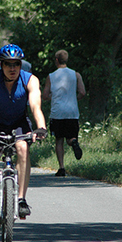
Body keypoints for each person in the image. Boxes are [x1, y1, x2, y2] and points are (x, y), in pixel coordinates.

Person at [0, 44, 47, 231]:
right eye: (8, 64)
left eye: (16, 64)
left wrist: (41, 127)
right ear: (1, 65)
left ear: (21, 65)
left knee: (22, 148)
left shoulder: (30, 80)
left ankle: (21, 199)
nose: (12, 69)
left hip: (18, 123)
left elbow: (36, 106)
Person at [42, 49, 86, 177]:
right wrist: (74, 98)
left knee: (59, 139)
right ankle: (73, 142)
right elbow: (82, 92)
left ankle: (61, 168)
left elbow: (45, 95)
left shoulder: (51, 76)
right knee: (70, 137)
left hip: (58, 113)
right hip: (72, 112)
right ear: (66, 60)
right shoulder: (76, 75)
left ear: (56, 60)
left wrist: (52, 97)